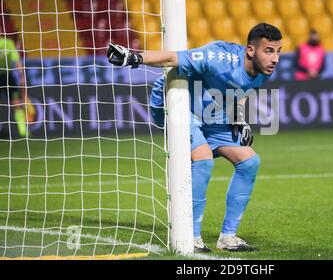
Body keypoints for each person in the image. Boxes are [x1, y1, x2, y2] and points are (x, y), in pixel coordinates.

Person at [107, 23, 282, 252]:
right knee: (203, 159)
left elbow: (238, 92)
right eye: (269, 50)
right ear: (250, 50)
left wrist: (240, 118)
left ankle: (228, 237)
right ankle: (191, 235)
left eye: (278, 51)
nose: (275, 58)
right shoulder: (217, 57)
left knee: (250, 162)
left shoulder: (263, 71)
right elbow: (172, 58)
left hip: (209, 109)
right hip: (175, 99)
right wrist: (133, 57)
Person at [0, 36, 34, 138]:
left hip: (7, 75)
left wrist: (21, 75)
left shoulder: (8, 42)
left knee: (16, 102)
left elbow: (16, 59)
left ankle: (23, 130)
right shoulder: (8, 42)